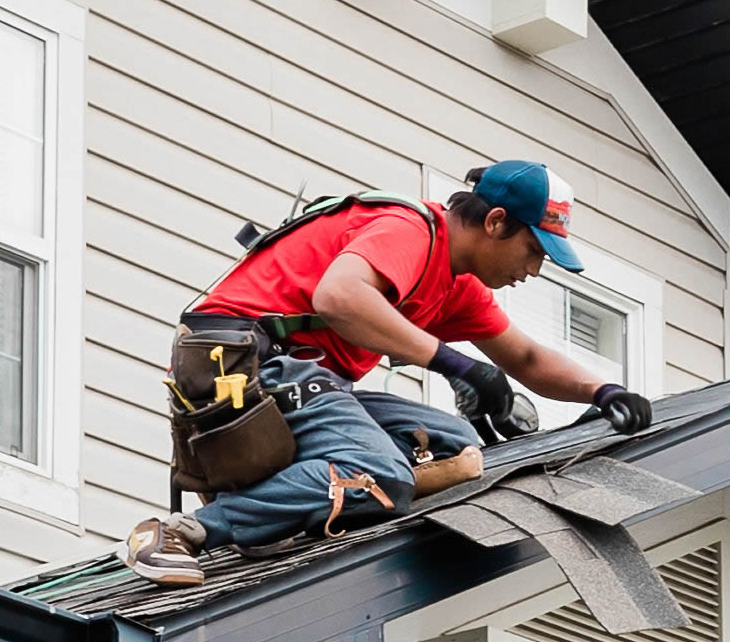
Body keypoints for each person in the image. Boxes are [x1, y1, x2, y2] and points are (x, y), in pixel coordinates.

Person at [124, 160, 653, 584]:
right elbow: (338, 297)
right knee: (384, 471)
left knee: (457, 446)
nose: (533, 270)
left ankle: (288, 506)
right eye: (533, 250)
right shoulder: (410, 232)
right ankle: (184, 533)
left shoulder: (457, 283)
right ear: (495, 223)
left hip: (303, 384)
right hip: (239, 361)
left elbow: (526, 358)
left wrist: (605, 390)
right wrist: (454, 363)